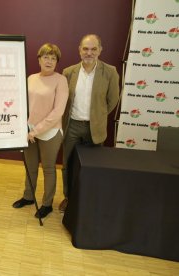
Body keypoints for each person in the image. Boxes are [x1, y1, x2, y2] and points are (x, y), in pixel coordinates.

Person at [59, 34, 120, 212]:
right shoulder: (68, 72)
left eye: (94, 49)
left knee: (92, 167)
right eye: (85, 49)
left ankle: (88, 199)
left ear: (100, 50)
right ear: (79, 50)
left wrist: (97, 116)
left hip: (95, 128)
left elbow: (112, 100)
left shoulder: (110, 72)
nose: (89, 52)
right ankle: (68, 197)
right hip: (72, 126)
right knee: (68, 165)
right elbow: (64, 101)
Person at [12, 43, 69, 218]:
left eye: (53, 58)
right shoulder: (31, 78)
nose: (49, 61)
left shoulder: (61, 80)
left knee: (49, 168)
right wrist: (24, 127)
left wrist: (36, 131)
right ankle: (28, 197)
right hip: (29, 131)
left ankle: (47, 204)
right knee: (30, 167)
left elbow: (58, 111)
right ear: (39, 59)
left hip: (50, 132)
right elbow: (22, 104)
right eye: (46, 57)